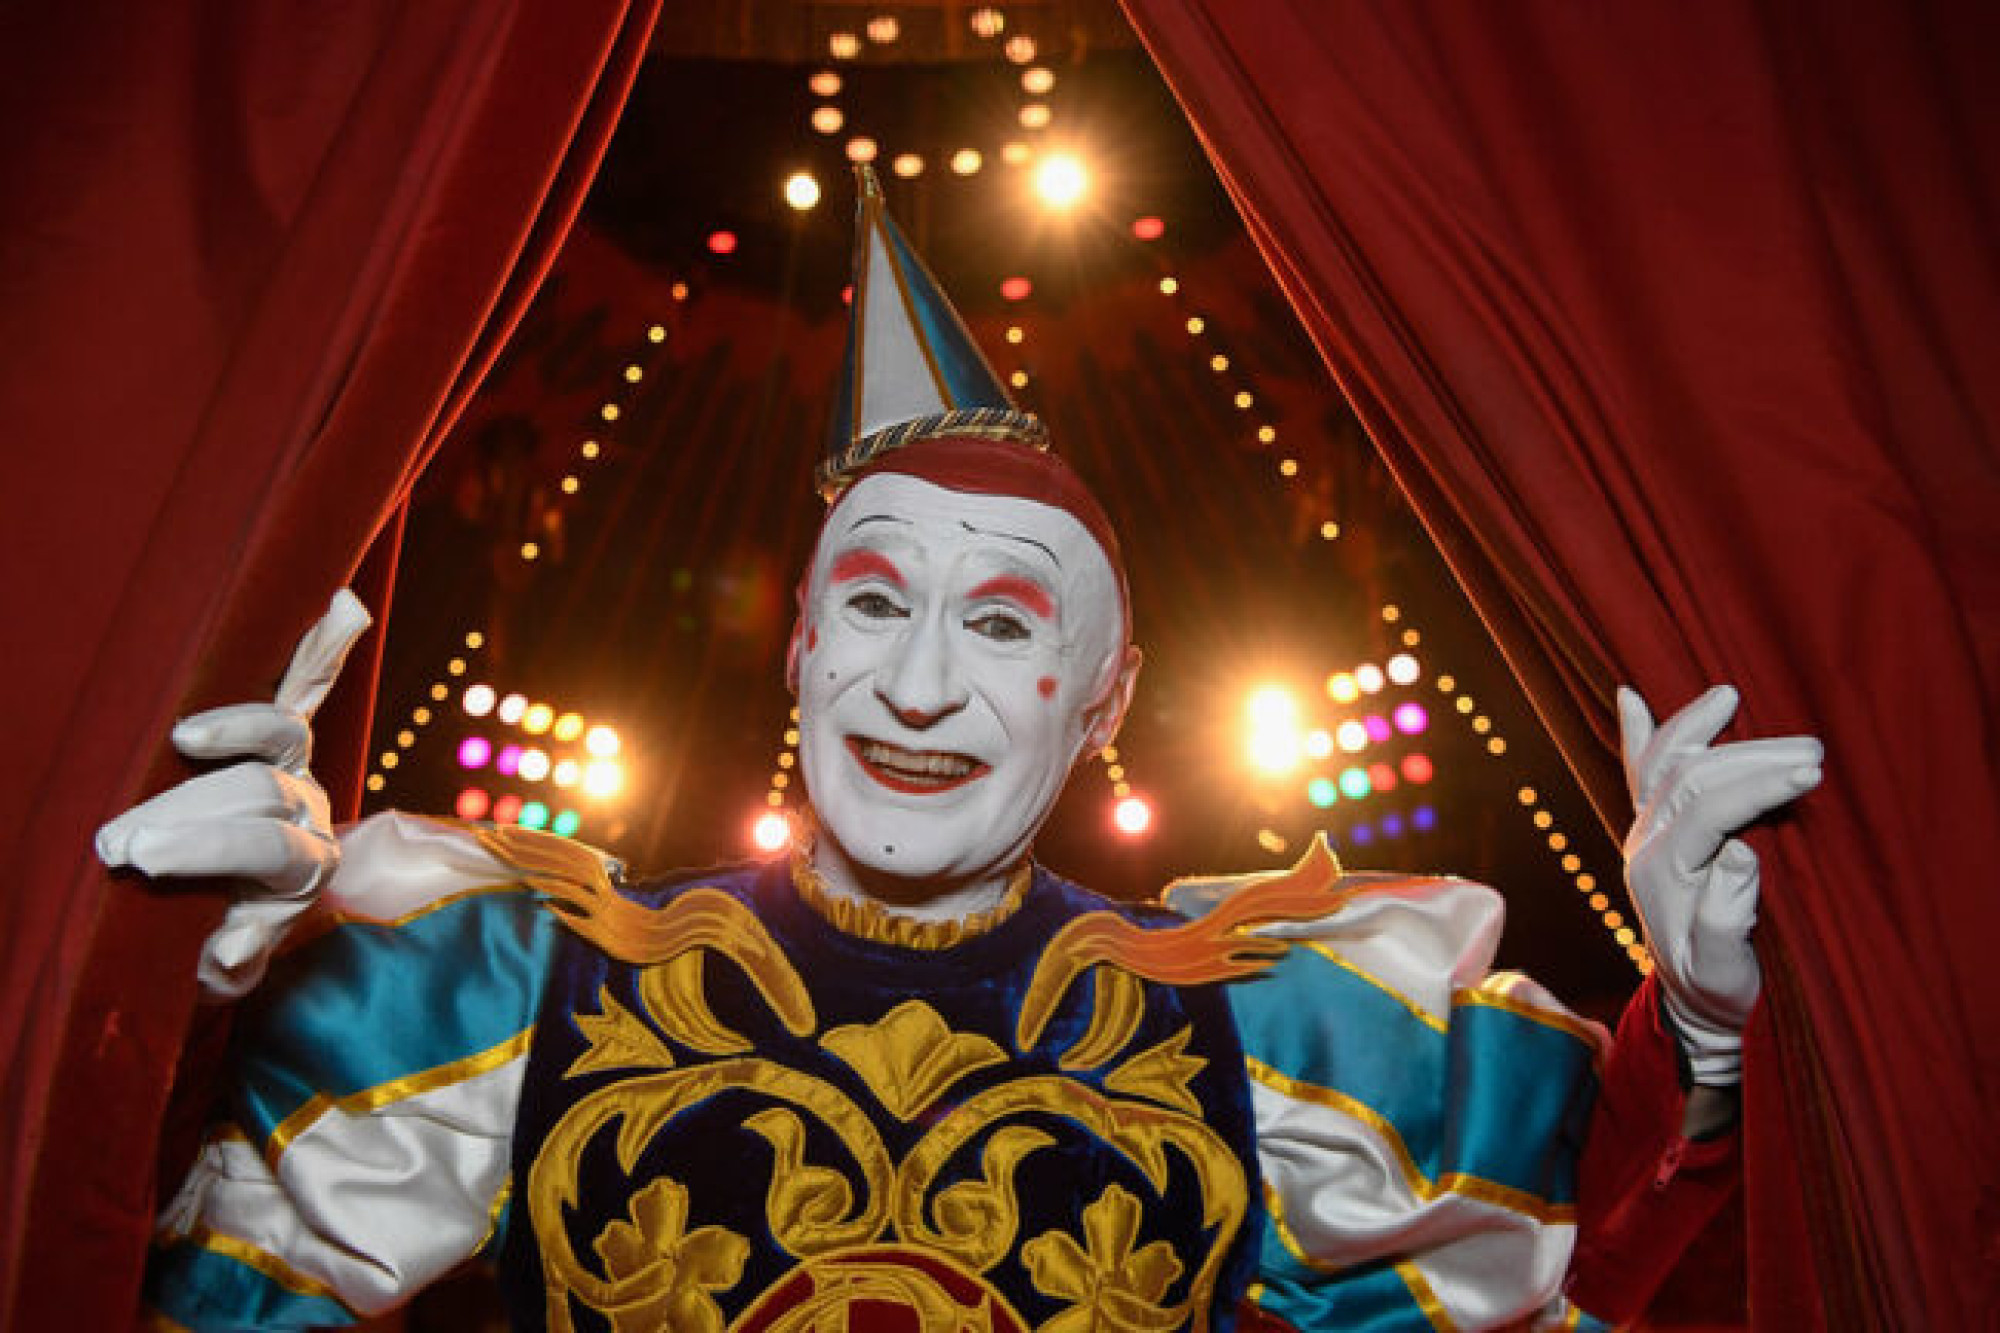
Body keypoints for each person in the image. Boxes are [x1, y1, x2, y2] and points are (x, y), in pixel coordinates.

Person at [102, 170, 1822, 1332]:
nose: (918, 685)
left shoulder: (1284, 1029)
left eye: (1002, 625)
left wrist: (1707, 1018)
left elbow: (1599, 1239)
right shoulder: (509, 982)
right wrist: (163, 987)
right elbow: (171, 1275)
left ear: (1105, 701)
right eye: (873, 604)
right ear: (799, 649)